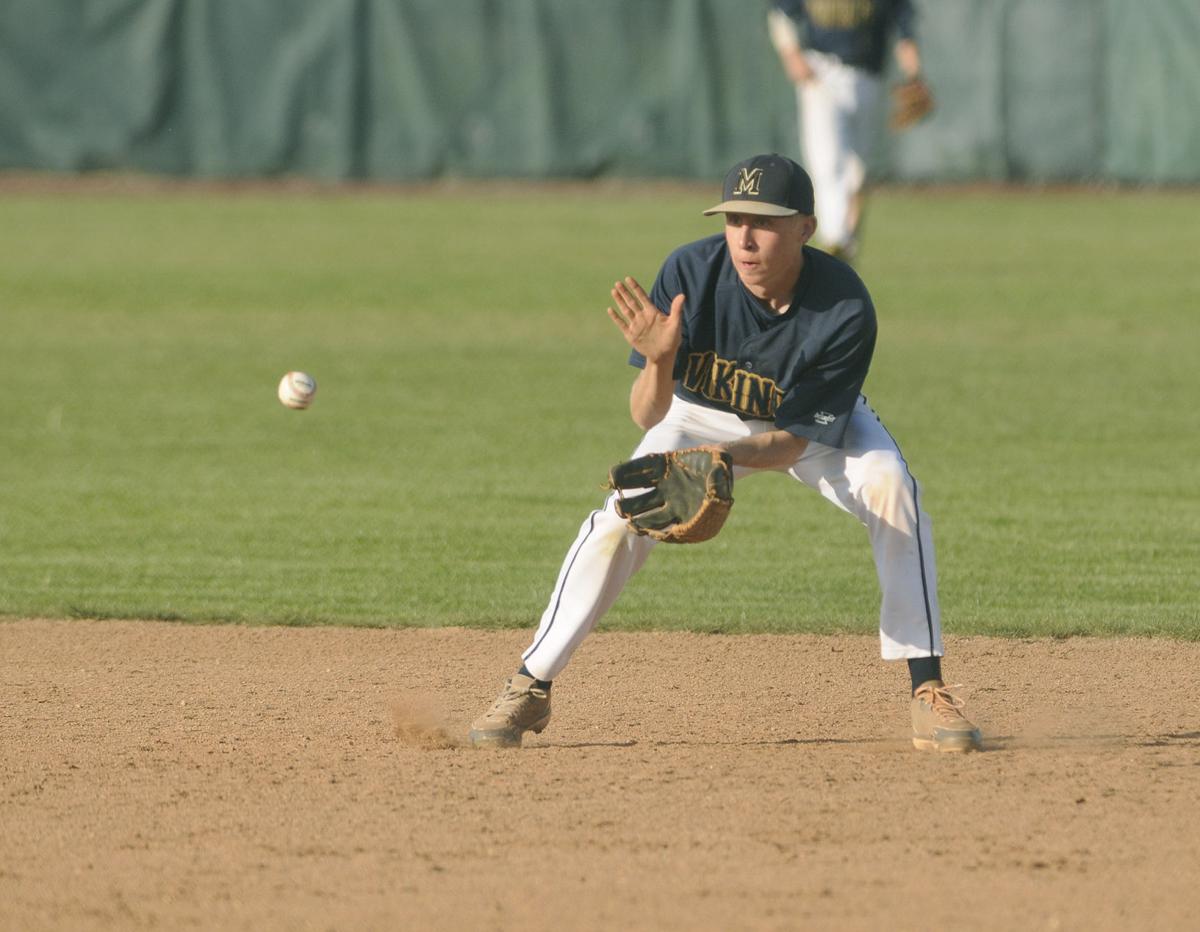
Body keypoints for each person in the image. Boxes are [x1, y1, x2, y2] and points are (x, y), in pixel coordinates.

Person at [468, 153, 981, 753]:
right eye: (734, 218)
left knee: (892, 483)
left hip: (803, 426)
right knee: (621, 512)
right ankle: (530, 685)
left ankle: (927, 689)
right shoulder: (690, 271)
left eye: (762, 221)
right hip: (693, 413)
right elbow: (648, 414)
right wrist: (659, 360)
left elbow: (793, 442)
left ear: (804, 229)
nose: (744, 235)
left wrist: (720, 461)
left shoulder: (843, 306)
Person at [768, 0, 926, 261]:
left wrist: (914, 73)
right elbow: (780, 11)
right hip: (821, 72)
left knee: (858, 171)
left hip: (868, 78)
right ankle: (834, 241)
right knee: (828, 162)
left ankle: (845, 246)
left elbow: (904, 27)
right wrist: (791, 53)